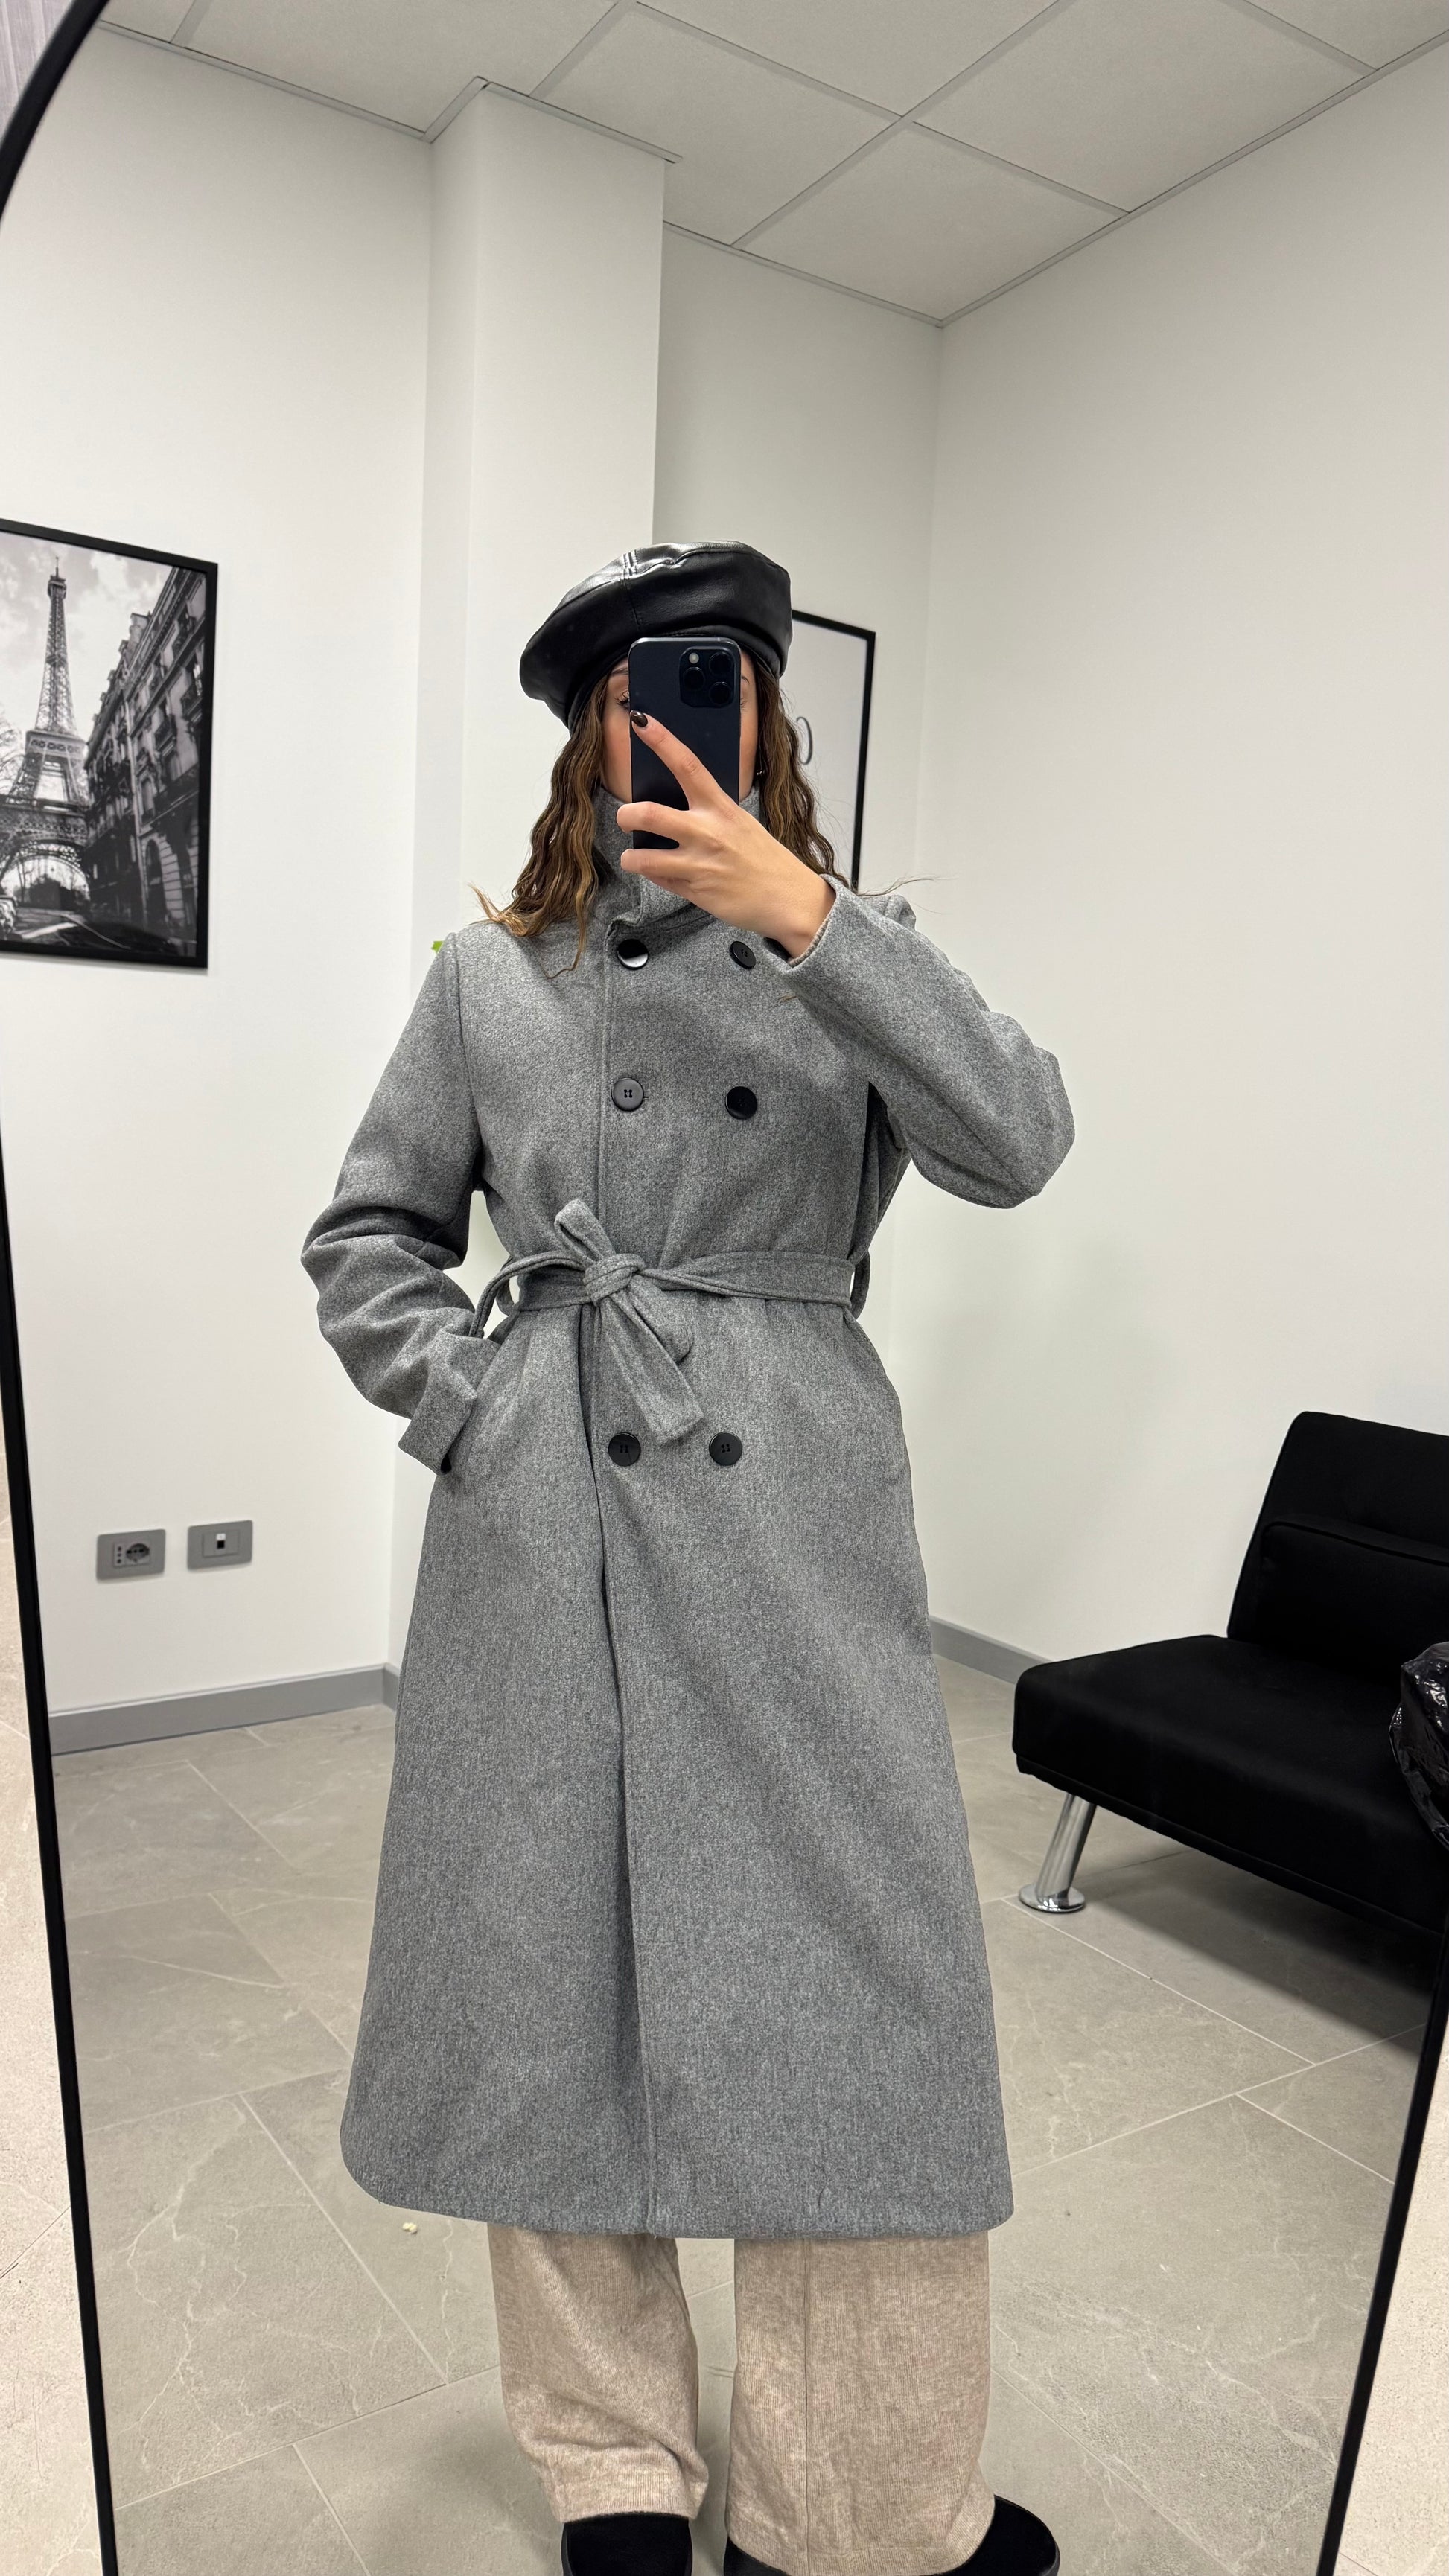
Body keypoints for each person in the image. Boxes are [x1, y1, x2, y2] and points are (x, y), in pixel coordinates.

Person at [301, 541, 1074, 2576]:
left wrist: (809, 918)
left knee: (868, 1990)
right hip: (545, 1502)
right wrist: (473, 1403)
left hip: (793, 1504)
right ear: (591, 735)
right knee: (545, 1969)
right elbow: (367, 1233)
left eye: (727, 681)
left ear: (771, 721)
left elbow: (1019, 1140)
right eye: (648, 691)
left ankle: (860, 2503)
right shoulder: (489, 979)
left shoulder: (857, 950)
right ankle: (615, 2473)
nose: (688, 720)